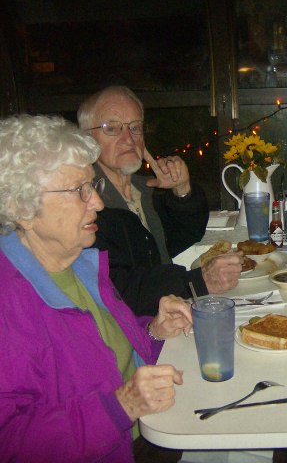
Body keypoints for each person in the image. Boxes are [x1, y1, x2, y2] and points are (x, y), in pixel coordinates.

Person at [0, 115, 192, 462]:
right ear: (22, 208)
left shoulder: (79, 264)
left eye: (93, 187)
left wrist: (154, 331)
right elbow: (10, 444)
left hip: (153, 429)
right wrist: (123, 406)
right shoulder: (8, 305)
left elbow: (113, 357)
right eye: (79, 191)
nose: (98, 204)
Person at [77, 86, 242, 314]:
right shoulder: (85, 205)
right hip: (138, 329)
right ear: (86, 139)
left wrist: (182, 191)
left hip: (168, 311)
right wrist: (197, 281)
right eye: (112, 128)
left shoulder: (143, 189)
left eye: (135, 127)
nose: (129, 139)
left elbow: (182, 236)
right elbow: (117, 289)